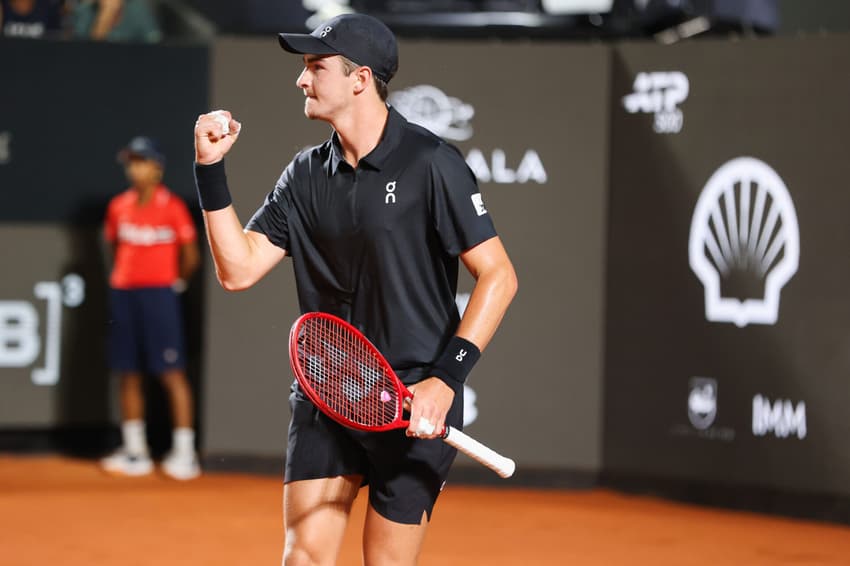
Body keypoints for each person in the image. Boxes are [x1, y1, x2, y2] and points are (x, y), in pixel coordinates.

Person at [193, 13, 517, 565]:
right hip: (329, 390)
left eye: (315, 67)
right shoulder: (303, 175)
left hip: (415, 397)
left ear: (359, 79)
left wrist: (446, 380)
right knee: (304, 559)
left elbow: (499, 275)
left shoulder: (431, 163)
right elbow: (237, 270)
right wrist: (209, 169)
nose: (302, 80)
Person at [101, 135, 202, 480]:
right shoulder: (118, 206)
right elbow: (115, 247)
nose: (134, 168)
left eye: (140, 161)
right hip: (124, 294)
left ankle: (185, 453)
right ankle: (135, 451)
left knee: (171, 373)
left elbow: (191, 257)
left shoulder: (172, 207)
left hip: (160, 296)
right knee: (128, 372)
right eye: (130, 161)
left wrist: (174, 283)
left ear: (156, 167)